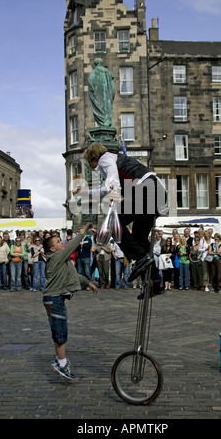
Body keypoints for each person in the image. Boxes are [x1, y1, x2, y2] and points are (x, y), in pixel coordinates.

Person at [77, 142, 167, 298]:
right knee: (139, 238)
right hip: (157, 192)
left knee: (112, 223)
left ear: (94, 158)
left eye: (91, 163)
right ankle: (154, 282)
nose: (92, 168)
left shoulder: (105, 158)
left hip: (146, 190)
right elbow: (112, 189)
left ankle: (142, 258)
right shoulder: (116, 159)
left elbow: (111, 185)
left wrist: (88, 193)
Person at [42, 223, 97, 380]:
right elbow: (71, 247)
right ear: (52, 249)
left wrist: (88, 283)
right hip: (54, 299)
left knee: (59, 330)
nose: (62, 243)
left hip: (55, 298)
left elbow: (75, 275)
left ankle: (60, 361)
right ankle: (61, 363)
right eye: (58, 242)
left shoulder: (62, 260)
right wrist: (83, 231)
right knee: (60, 332)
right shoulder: (56, 256)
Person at [88, 58, 115, 127]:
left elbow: (90, 81)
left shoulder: (94, 71)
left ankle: (104, 122)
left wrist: (93, 92)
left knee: (100, 108)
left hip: (98, 95)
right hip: (108, 96)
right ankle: (107, 121)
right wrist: (112, 95)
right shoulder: (108, 72)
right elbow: (112, 85)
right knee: (107, 107)